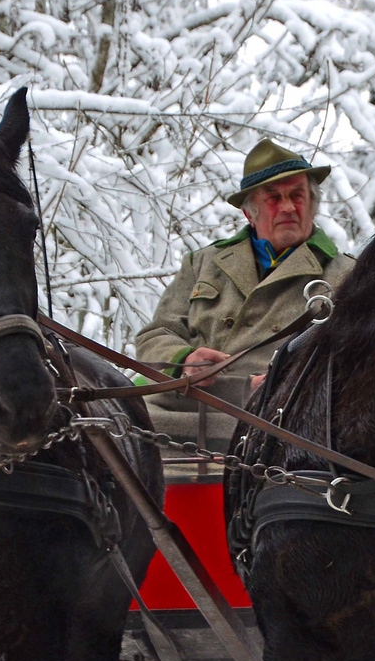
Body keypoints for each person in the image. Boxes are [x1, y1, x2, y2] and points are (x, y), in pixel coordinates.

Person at [137, 139, 355, 450]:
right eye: (274, 198)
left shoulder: (345, 276)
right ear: (249, 214)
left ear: (312, 203)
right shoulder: (203, 263)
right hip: (178, 413)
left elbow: (358, 363)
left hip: (276, 426)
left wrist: (287, 386)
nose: (289, 208)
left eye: (297, 196)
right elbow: (155, 335)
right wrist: (184, 360)